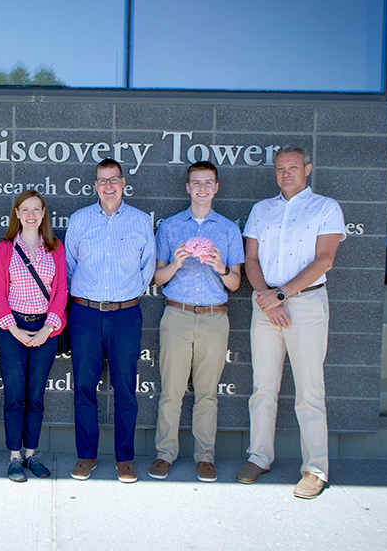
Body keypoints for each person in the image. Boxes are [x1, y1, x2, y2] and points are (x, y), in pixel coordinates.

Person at [236, 146, 346, 499]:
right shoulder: (261, 210)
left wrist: (281, 295)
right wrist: (268, 298)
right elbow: (251, 258)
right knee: (263, 386)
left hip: (306, 303)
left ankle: (315, 469)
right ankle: (259, 456)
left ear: (307, 169)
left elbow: (325, 259)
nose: (286, 173)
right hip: (265, 303)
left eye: (293, 167)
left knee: (310, 391)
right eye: (280, 168)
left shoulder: (325, 207)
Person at [148, 161, 243, 482]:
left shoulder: (228, 229)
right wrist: (175, 263)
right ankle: (165, 453)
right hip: (176, 314)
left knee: (207, 394)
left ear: (216, 188)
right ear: (187, 188)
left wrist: (219, 266)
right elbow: (158, 278)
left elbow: (235, 283)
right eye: (196, 183)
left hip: (215, 318)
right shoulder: (171, 227)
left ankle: (205, 456)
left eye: (208, 183)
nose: (202, 188)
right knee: (171, 390)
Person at [65, 158, 155, 483]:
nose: (108, 186)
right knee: (84, 388)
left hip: (126, 315)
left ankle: (125, 458)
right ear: (95, 186)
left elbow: (147, 269)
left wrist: (125, 295)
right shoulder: (79, 220)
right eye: (102, 181)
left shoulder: (141, 221)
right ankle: (86, 456)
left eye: (113, 179)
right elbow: (70, 266)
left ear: (123, 182)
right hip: (86, 313)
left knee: (125, 389)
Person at [0, 191, 68, 482]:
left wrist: (47, 330)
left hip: (45, 330)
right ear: (17, 214)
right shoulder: (5, 248)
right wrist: (14, 330)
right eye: (25, 209)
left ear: (44, 212)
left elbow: (61, 291)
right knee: (14, 396)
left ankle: (31, 453)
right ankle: (14, 457)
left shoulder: (55, 247)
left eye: (37, 209)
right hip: (12, 330)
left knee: (36, 396)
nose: (31, 214)